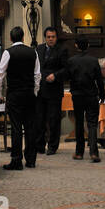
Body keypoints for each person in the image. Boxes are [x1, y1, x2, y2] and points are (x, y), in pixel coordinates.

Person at [0, 26, 40, 170]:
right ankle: (31, 160)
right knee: (30, 127)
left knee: (16, 127)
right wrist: (35, 91)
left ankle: (16, 160)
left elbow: (0, 75)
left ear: (10, 38)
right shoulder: (33, 52)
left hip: (14, 93)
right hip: (29, 93)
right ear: (22, 37)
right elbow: (37, 75)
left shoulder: (8, 52)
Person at [67, 37, 104, 162]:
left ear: (76, 45)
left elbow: (68, 77)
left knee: (78, 122)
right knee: (92, 123)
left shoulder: (71, 61)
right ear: (88, 45)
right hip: (91, 94)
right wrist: (102, 95)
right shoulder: (94, 61)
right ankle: (94, 152)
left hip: (77, 95)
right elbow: (99, 80)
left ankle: (79, 152)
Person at [36, 26, 67, 156]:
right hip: (41, 90)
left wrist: (56, 75)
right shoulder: (39, 49)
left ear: (56, 37)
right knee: (40, 119)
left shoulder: (62, 50)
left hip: (54, 90)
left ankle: (52, 146)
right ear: (45, 37)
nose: (50, 39)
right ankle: (40, 145)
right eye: (48, 37)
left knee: (54, 120)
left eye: (53, 37)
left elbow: (67, 69)